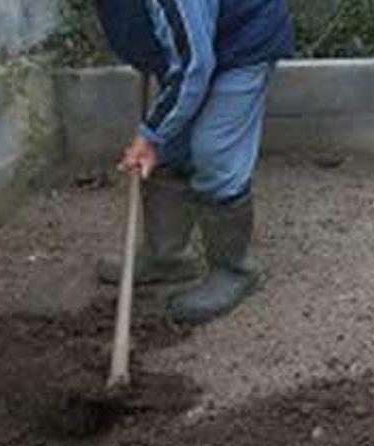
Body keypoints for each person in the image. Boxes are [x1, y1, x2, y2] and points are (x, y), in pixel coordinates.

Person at [93, 0, 294, 324]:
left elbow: (194, 66)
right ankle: (167, 257)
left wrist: (150, 135)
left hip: (243, 43)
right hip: (197, 44)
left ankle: (234, 271)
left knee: (214, 153)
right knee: (171, 146)